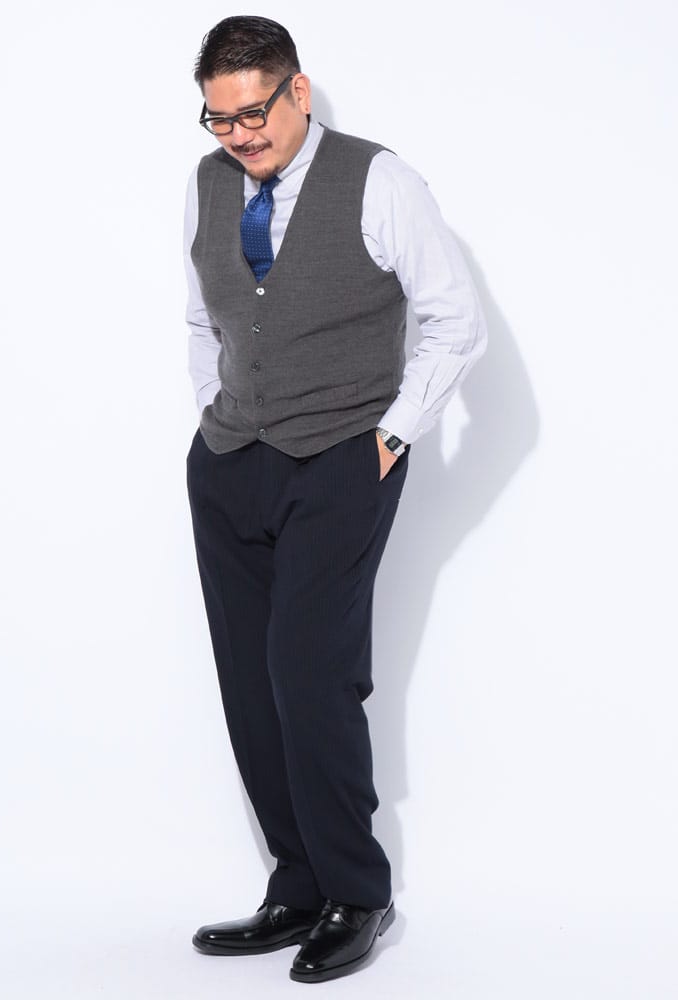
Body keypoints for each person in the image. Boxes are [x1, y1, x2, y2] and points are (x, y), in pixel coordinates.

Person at [183, 15, 487, 984]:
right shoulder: (205, 186)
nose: (240, 135)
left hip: (342, 458)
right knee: (250, 681)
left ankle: (358, 891)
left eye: (254, 113)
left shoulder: (379, 181)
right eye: (220, 118)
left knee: (309, 673)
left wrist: (390, 437)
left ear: (298, 92)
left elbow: (455, 321)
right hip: (230, 459)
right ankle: (298, 884)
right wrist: (217, 415)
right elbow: (202, 318)